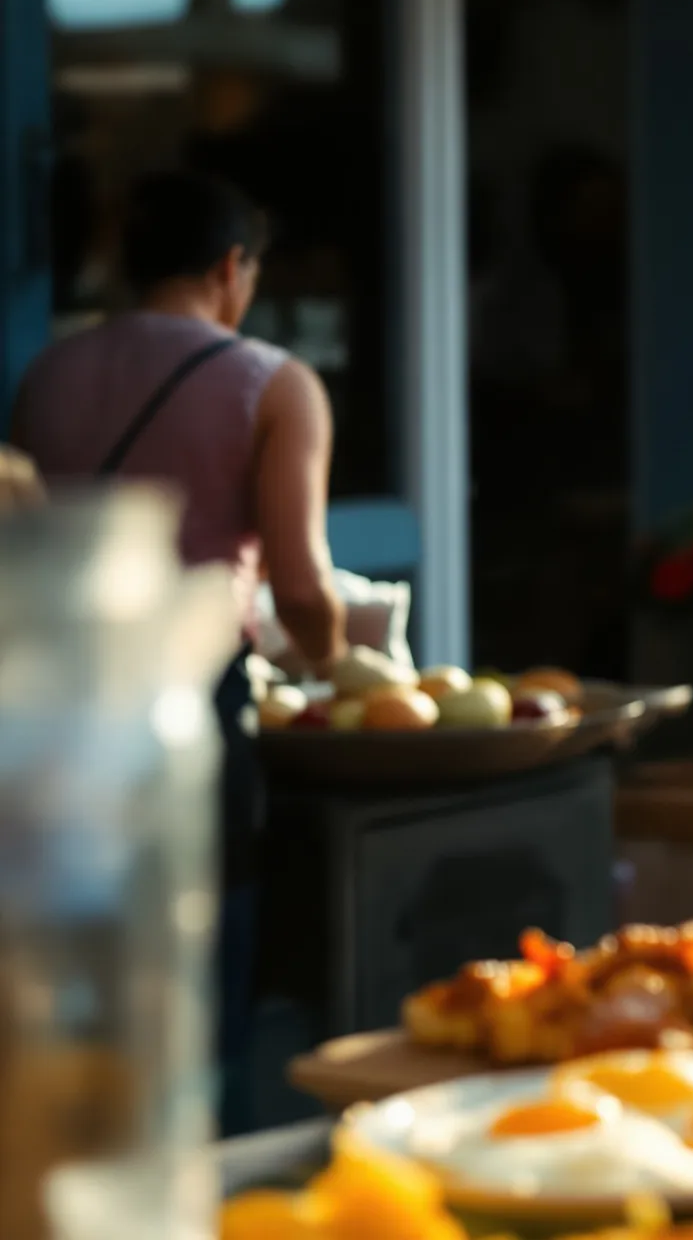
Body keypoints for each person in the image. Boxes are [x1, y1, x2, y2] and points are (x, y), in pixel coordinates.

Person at [11, 170, 344, 1121]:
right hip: (184, 708)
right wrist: (324, 663)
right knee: (195, 989)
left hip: (52, 718)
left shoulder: (46, 375)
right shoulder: (274, 383)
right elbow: (304, 587)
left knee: (75, 1004)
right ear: (231, 267)